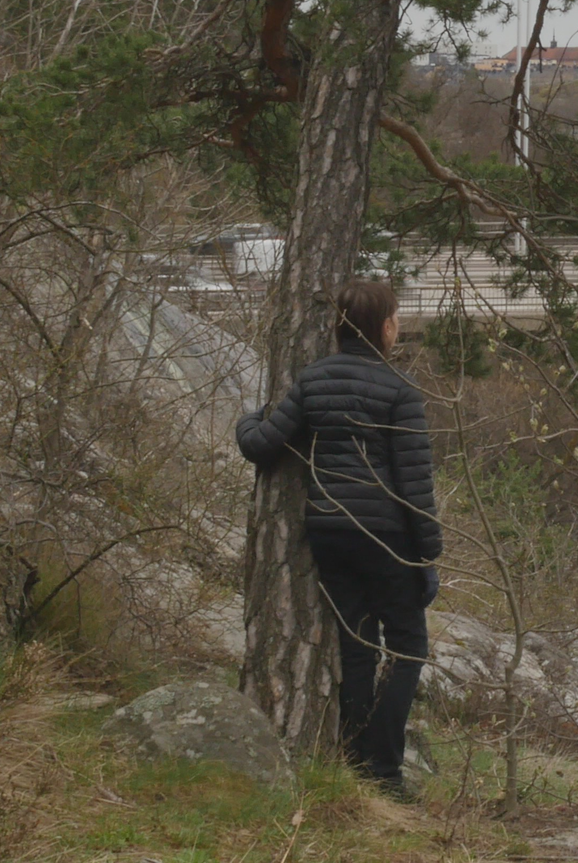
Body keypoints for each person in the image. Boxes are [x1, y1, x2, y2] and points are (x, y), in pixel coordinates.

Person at [237, 280, 440, 797]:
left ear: (340, 326)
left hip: (329, 531)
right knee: (409, 647)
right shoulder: (400, 391)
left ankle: (354, 760)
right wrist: (427, 557)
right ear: (385, 327)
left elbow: (261, 445)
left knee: (357, 647)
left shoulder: (313, 379)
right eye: (396, 318)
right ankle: (384, 772)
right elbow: (415, 485)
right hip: (386, 536)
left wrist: (249, 419)